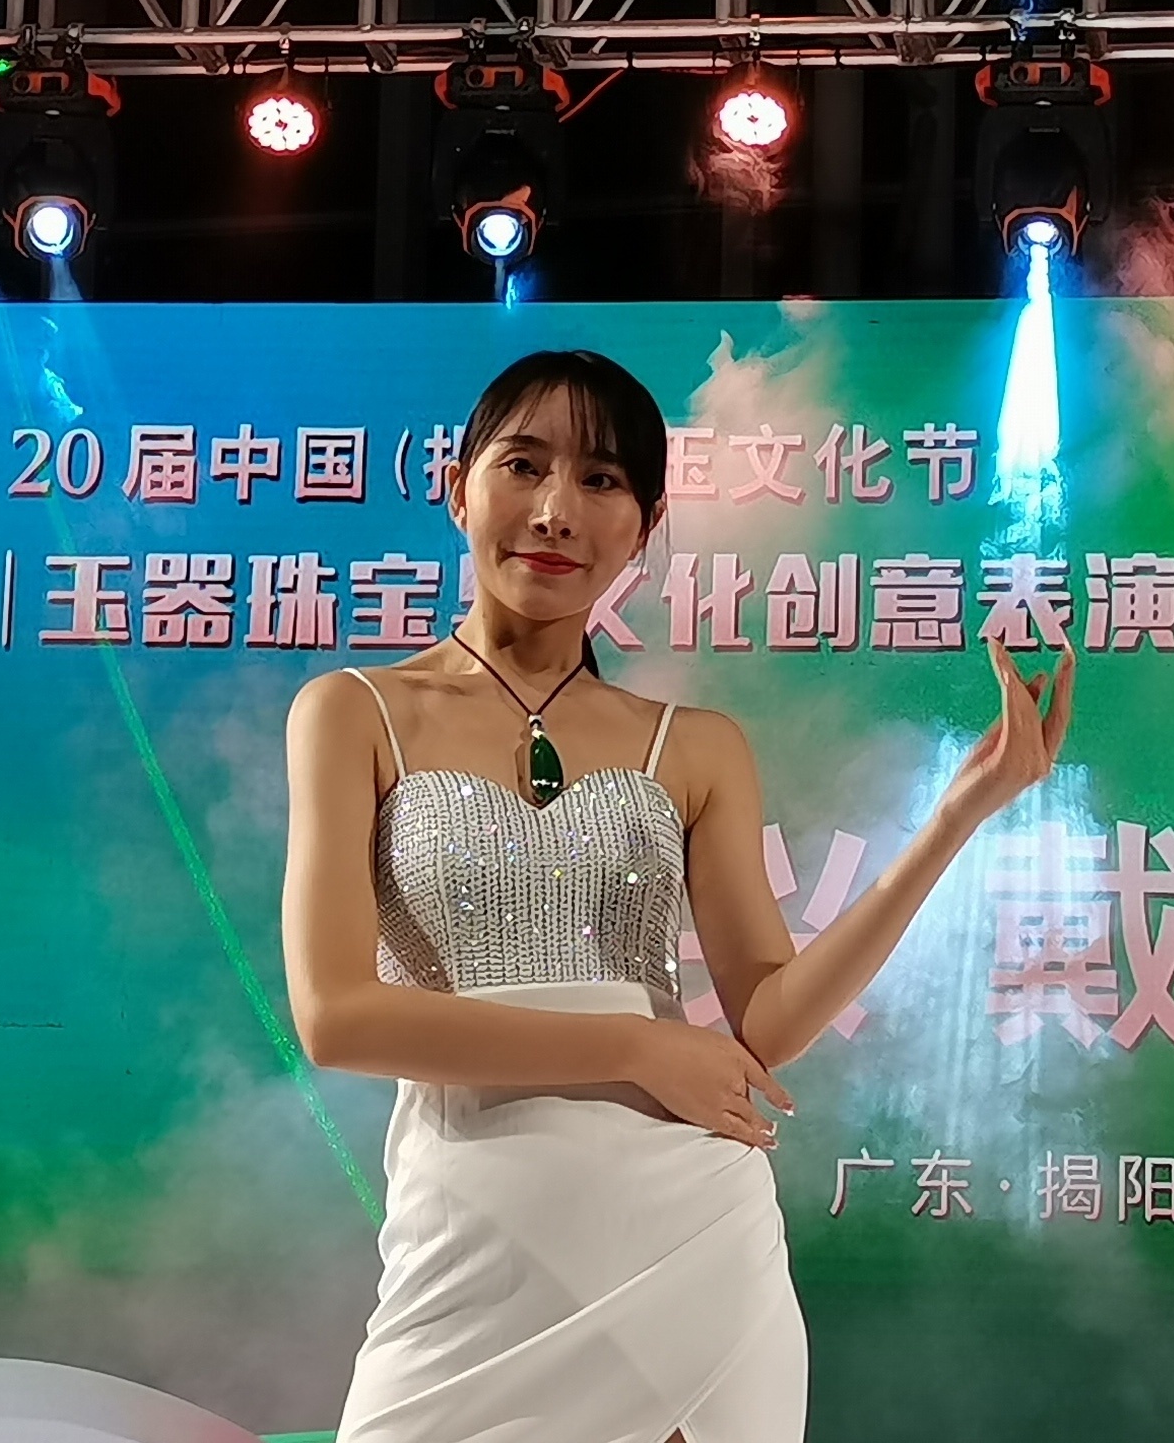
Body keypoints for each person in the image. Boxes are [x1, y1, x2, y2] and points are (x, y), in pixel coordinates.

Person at [282, 348, 1075, 1443]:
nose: (556, 511)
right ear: (458, 486)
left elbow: (770, 1020)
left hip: (690, 1244)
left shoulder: (694, 746)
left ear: (646, 527)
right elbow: (336, 1018)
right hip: (468, 1238)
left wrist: (957, 814)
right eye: (524, 465)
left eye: (602, 480)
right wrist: (635, 1046)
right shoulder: (353, 713)